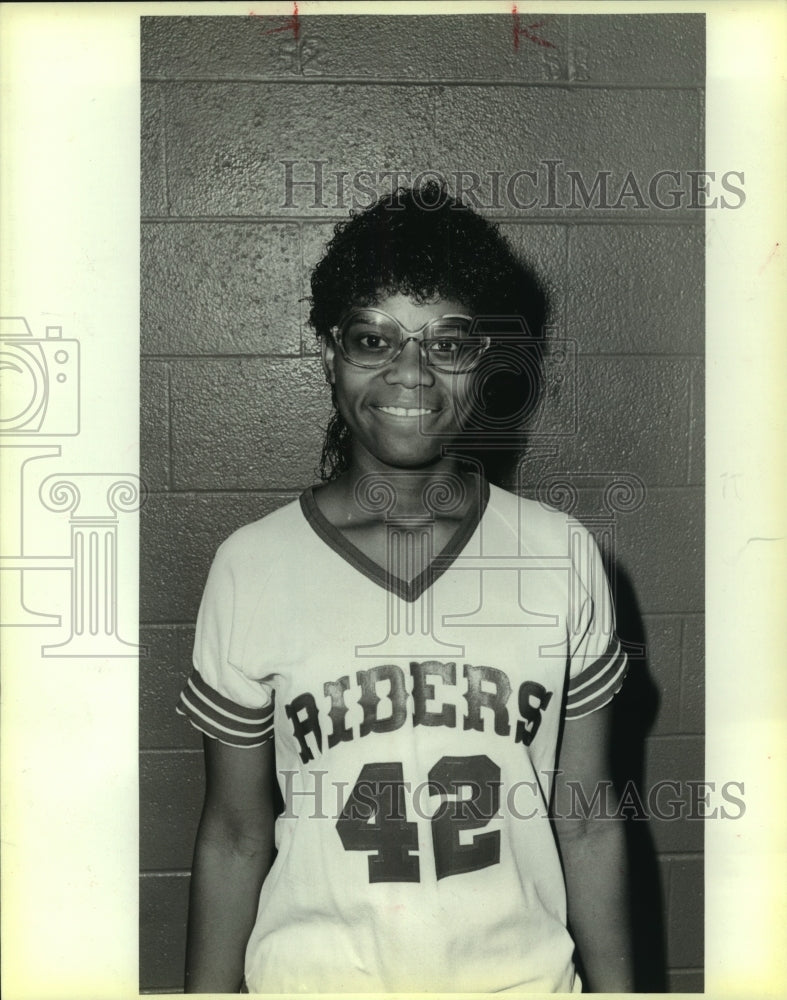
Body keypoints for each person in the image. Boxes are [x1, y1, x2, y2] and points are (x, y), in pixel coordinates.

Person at [177, 182, 633, 993]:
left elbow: (590, 819)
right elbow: (236, 834)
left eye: (446, 345)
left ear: (482, 362)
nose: (410, 374)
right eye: (373, 340)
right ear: (328, 353)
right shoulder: (251, 566)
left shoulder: (560, 555)